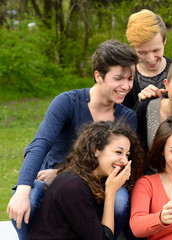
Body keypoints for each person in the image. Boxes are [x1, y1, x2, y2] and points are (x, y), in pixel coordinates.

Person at [7, 39, 139, 240]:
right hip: (54, 182)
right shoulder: (67, 102)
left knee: (120, 201)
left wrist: (60, 173)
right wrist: (23, 189)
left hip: (99, 182)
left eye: (130, 79)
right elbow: (40, 143)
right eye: (119, 78)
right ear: (98, 76)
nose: (126, 86)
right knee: (30, 199)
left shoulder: (127, 116)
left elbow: (119, 164)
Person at [28, 120, 145, 239]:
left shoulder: (95, 181)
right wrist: (111, 193)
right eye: (118, 152)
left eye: (127, 155)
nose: (125, 161)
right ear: (96, 150)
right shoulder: (73, 186)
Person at [123, 9, 172, 109]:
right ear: (134, 47)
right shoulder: (125, 77)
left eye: (156, 50)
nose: (151, 59)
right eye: (142, 52)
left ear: (164, 40)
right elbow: (122, 121)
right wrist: (140, 104)